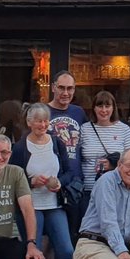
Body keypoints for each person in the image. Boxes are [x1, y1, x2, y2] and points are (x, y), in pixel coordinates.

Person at [13, 101, 80, 259]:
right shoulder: (20, 147)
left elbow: (69, 172)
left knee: (66, 251)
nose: (43, 125)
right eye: (38, 121)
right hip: (31, 206)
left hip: (54, 204)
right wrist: (30, 182)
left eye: (45, 121)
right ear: (29, 122)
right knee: (35, 253)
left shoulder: (57, 143)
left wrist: (59, 182)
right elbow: (13, 178)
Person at [79, 91, 130, 203]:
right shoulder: (84, 129)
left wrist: (112, 164)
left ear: (113, 108)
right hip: (88, 190)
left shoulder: (124, 130)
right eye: (100, 106)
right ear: (94, 108)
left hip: (115, 189)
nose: (104, 110)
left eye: (107, 106)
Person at [47, 70, 87, 231]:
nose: (65, 93)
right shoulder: (42, 111)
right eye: (61, 88)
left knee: (74, 232)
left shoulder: (78, 112)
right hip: (50, 183)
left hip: (75, 184)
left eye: (70, 88)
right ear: (53, 88)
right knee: (50, 235)